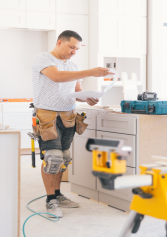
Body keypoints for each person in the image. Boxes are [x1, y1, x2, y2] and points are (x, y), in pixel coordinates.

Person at [32, 30, 113, 217]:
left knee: (63, 157)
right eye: (71, 47)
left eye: (77, 49)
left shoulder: (73, 65)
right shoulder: (43, 59)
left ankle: (58, 195)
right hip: (47, 116)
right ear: (60, 42)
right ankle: (50, 200)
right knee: (52, 157)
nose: (74, 51)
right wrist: (92, 72)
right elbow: (57, 77)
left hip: (68, 116)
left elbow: (77, 90)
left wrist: (88, 99)